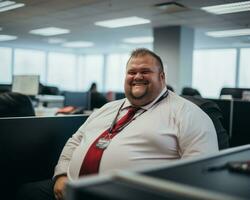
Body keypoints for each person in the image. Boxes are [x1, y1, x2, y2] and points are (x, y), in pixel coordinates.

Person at [17, 48, 218, 200]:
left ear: (162, 77)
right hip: (72, 188)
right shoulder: (107, 108)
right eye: (132, 72)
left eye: (145, 71)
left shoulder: (188, 114)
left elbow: (201, 173)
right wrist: (61, 175)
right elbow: (74, 142)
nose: (137, 76)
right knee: (23, 192)